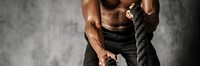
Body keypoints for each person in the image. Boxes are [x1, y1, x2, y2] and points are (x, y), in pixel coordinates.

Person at [82, 0, 160, 66]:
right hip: (102, 35)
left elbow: (153, 18)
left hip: (133, 35)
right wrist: (100, 51)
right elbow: (92, 23)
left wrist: (143, 18)